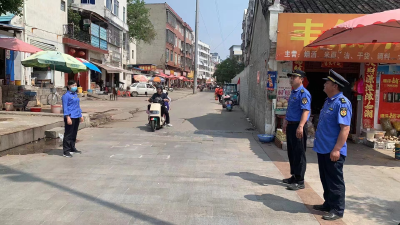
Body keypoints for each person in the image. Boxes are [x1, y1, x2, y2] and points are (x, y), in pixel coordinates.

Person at [312, 69, 352, 221]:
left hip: (333, 150)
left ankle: (337, 209)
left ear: (335, 86)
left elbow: (345, 128)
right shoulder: (328, 101)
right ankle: (328, 203)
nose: (324, 84)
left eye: (327, 82)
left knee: (335, 181)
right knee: (325, 178)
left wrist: (337, 149)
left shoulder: (342, 104)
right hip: (323, 148)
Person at [282, 70, 311, 190]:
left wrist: (300, 126)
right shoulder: (293, 92)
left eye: (294, 77)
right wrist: (285, 121)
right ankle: (294, 175)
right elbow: (291, 110)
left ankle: (300, 180)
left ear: (301, 79)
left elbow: (306, 110)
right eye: (291, 77)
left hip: (298, 126)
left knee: (299, 153)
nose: (291, 79)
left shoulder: (304, 93)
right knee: (292, 151)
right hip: (291, 125)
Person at [62, 80, 83, 158]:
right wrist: (67, 117)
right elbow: (65, 107)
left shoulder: (75, 94)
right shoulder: (66, 96)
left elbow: (77, 106)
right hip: (70, 117)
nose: (75, 87)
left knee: (74, 133)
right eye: (73, 85)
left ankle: (72, 148)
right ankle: (66, 151)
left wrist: (81, 115)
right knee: (68, 134)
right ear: (68, 86)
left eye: (75, 85)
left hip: (76, 115)